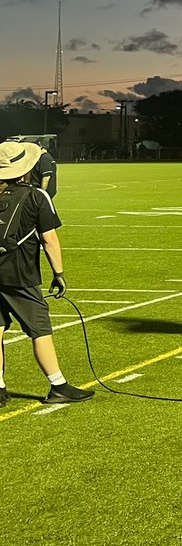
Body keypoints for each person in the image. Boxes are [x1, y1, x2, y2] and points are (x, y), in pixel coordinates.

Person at [0, 142, 93, 406]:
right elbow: (49, 239)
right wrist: (59, 274)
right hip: (20, 274)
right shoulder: (36, 196)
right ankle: (58, 385)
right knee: (40, 329)